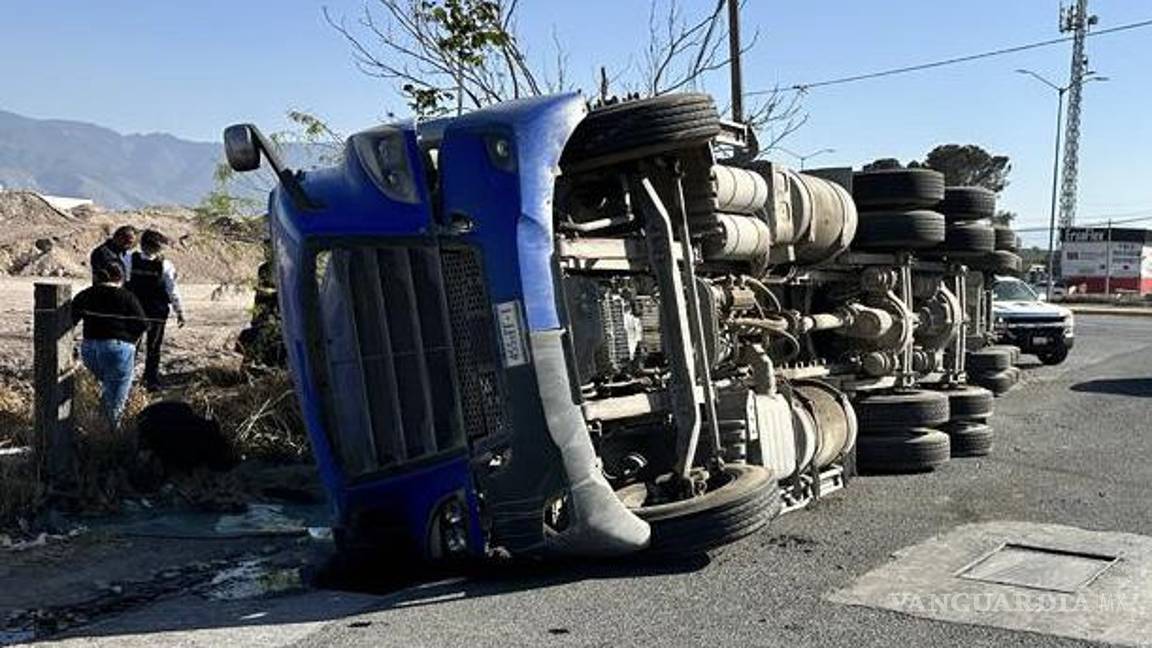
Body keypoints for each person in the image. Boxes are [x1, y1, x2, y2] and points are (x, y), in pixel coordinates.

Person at [72, 264, 147, 426]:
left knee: (108, 385)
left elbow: (69, 320)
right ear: (120, 278)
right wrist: (131, 342)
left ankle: (98, 423)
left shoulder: (86, 295)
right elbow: (142, 324)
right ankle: (111, 436)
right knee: (117, 398)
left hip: (89, 348)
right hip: (117, 348)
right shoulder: (126, 296)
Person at [125, 229, 185, 391]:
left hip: (135, 311)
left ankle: (127, 379)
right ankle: (150, 380)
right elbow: (172, 290)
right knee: (153, 347)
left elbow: (122, 282)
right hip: (155, 313)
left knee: (132, 346)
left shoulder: (129, 259)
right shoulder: (165, 265)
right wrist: (180, 312)